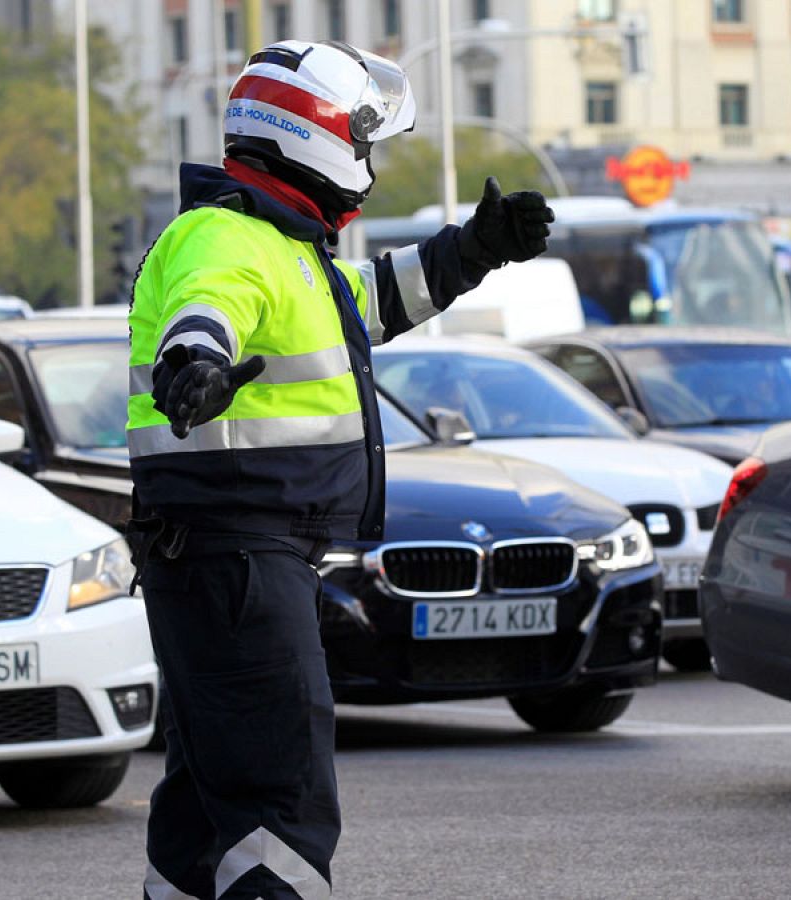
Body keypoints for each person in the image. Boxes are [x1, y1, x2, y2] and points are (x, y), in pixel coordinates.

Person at [126, 40, 554, 900]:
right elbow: (205, 310)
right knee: (278, 798)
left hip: (235, 554)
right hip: (237, 551)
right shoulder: (226, 236)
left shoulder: (287, 247)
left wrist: (475, 248)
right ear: (312, 134)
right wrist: (193, 365)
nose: (369, 159)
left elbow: (374, 303)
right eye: (362, 138)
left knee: (209, 807)